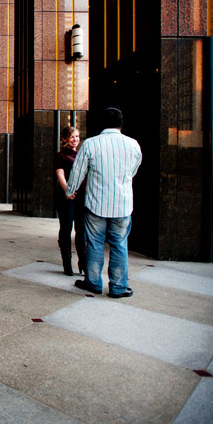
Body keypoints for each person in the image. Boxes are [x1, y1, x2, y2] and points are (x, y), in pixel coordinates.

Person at [65, 108, 142, 298]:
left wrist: (70, 190)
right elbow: (133, 170)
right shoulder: (133, 145)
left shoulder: (91, 144)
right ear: (121, 124)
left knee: (94, 243)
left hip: (96, 204)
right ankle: (118, 287)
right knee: (119, 244)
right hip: (122, 205)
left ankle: (93, 282)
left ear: (102, 124)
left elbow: (78, 171)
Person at [54, 126, 86, 276]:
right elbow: (60, 173)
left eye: (78, 136)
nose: (76, 139)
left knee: (82, 230)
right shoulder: (60, 156)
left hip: (81, 196)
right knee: (66, 228)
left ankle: (83, 262)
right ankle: (67, 264)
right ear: (65, 139)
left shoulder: (81, 155)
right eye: (73, 137)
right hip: (66, 197)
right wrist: (67, 190)